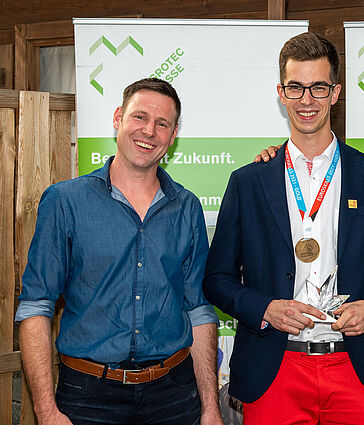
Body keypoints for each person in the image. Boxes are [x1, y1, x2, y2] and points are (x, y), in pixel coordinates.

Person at [203, 32, 364, 425]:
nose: (307, 100)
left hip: (359, 367)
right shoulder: (248, 181)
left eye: (318, 87)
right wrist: (265, 307)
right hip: (275, 367)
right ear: (281, 93)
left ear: (335, 92)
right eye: (296, 87)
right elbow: (216, 279)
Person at [16, 78, 223, 425]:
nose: (149, 131)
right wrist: (46, 411)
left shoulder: (186, 207)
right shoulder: (65, 201)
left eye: (162, 124)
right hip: (87, 398)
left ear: (173, 137)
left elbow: (199, 311)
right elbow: (36, 306)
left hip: (173, 395)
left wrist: (211, 408)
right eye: (139, 117)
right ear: (117, 118)